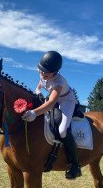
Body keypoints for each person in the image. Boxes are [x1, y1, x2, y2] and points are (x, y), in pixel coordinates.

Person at [22, 51, 82, 180]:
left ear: (55, 72)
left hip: (66, 101)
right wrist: (37, 90)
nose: (43, 74)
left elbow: (50, 103)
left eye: (46, 72)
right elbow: (41, 81)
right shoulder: (43, 71)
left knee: (62, 130)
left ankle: (75, 166)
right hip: (54, 98)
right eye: (41, 70)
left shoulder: (58, 82)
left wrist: (34, 112)